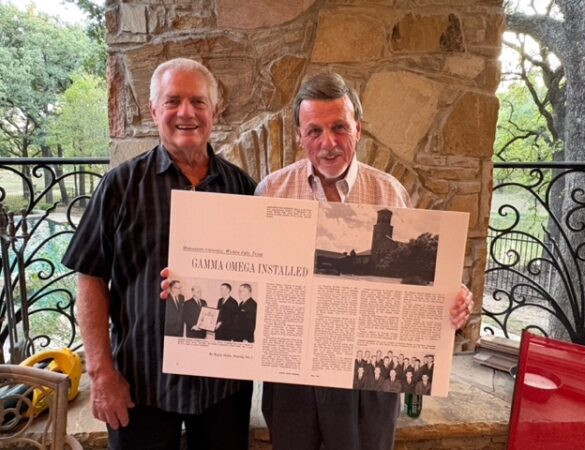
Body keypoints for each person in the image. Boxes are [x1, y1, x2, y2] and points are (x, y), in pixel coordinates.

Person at [256, 72, 474, 450]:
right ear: (298, 135)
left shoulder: (389, 191)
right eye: (314, 131)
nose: (328, 143)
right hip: (292, 375)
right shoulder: (271, 190)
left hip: (368, 380)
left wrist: (450, 302)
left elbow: (421, 283)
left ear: (359, 127)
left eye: (340, 127)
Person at [62, 58, 256, 450]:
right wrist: (101, 375)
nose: (186, 113)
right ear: (154, 112)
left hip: (224, 388)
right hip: (140, 384)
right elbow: (90, 277)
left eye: (198, 102)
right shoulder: (120, 186)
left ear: (215, 112)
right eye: (173, 101)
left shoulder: (243, 189)